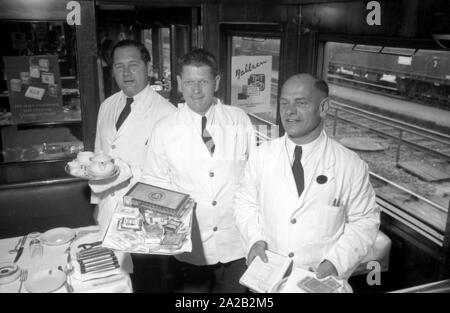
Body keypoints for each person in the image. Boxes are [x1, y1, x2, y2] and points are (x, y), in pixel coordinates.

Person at [233, 73, 380, 280]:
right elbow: (244, 202)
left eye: (301, 103)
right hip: (267, 277)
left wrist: (335, 263)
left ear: (323, 107)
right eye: (284, 103)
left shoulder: (350, 165)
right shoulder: (262, 155)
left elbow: (364, 220)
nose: (290, 111)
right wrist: (254, 240)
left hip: (319, 279)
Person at [141, 48, 256, 292]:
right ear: (180, 83)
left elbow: (254, 178)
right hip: (189, 246)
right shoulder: (164, 129)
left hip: (236, 243)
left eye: (203, 81)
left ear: (216, 82)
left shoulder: (239, 120)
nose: (196, 90)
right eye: (190, 82)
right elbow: (153, 184)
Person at [90, 39, 175, 232]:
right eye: (119, 66)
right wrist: (97, 203)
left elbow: (170, 175)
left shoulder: (168, 114)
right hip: (107, 210)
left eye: (133, 65)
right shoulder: (106, 106)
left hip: (144, 216)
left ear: (148, 67)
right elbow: (99, 155)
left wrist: (126, 171)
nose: (126, 73)